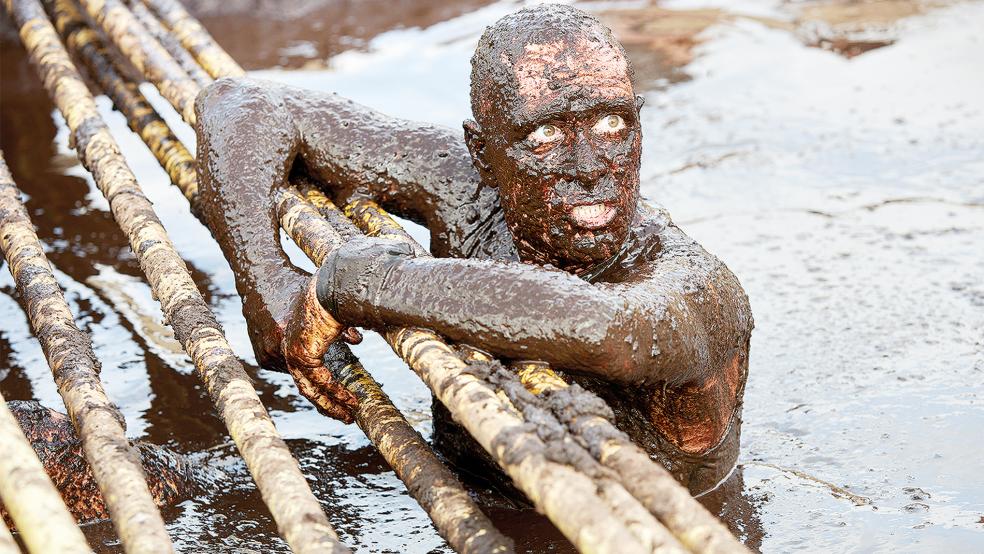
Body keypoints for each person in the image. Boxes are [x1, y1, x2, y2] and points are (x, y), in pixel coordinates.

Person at [195, 4, 753, 496]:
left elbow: (607, 327)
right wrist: (267, 283)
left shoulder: (696, 286)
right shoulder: (472, 192)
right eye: (545, 138)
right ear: (483, 153)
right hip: (469, 495)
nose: (589, 167)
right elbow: (244, 103)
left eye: (613, 124)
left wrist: (353, 285)